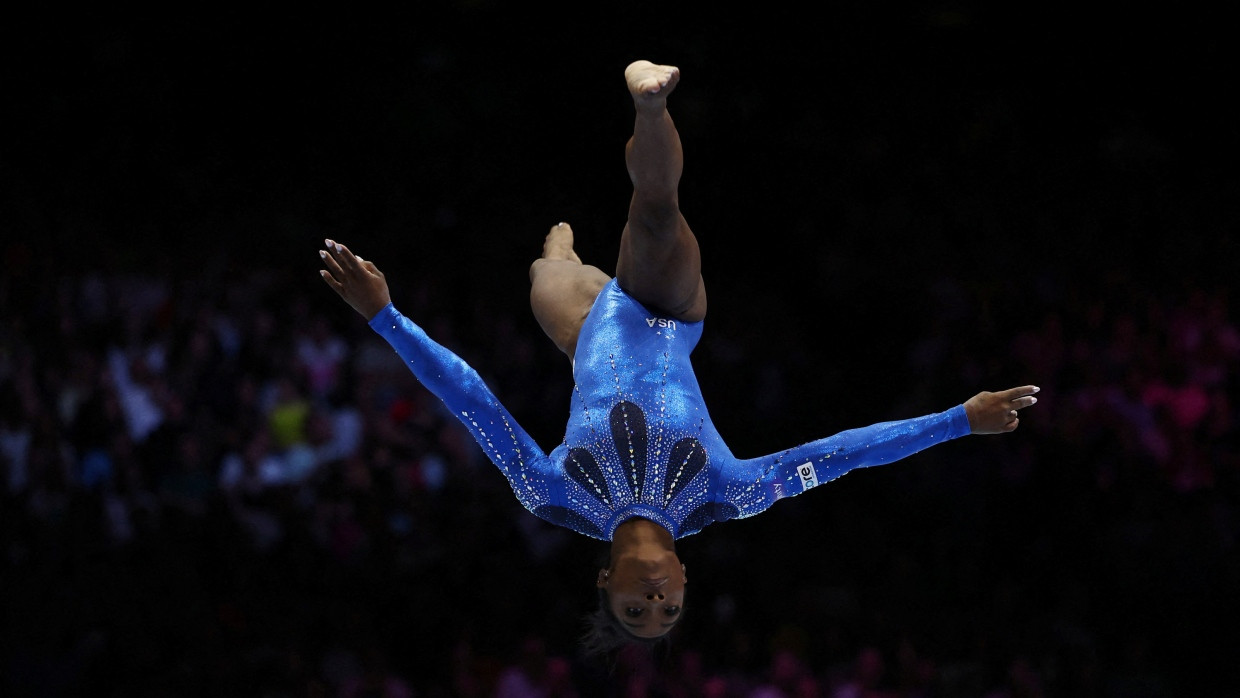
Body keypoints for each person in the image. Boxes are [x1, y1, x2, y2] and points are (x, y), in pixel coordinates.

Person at [317, 60, 1039, 652]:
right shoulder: (728, 493)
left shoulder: (551, 493)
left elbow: (472, 399)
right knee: (655, 216)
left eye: (637, 612)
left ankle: (563, 255)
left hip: (586, 336)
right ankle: (651, 101)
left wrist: (386, 317)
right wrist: (955, 421)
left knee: (544, 277)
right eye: (668, 611)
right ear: (687, 577)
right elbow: (844, 453)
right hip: (664, 314)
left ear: (606, 584)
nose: (655, 604)